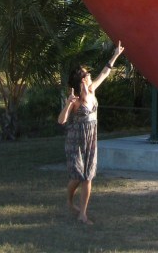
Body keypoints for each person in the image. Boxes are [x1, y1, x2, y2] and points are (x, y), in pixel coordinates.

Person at [58, 40, 124, 224]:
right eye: (87, 74)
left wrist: (116, 54)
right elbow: (61, 121)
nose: (90, 75)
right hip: (76, 140)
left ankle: (83, 214)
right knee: (78, 176)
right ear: (82, 79)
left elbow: (105, 72)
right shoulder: (75, 99)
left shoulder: (93, 89)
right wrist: (68, 104)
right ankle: (70, 202)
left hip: (91, 138)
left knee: (88, 176)